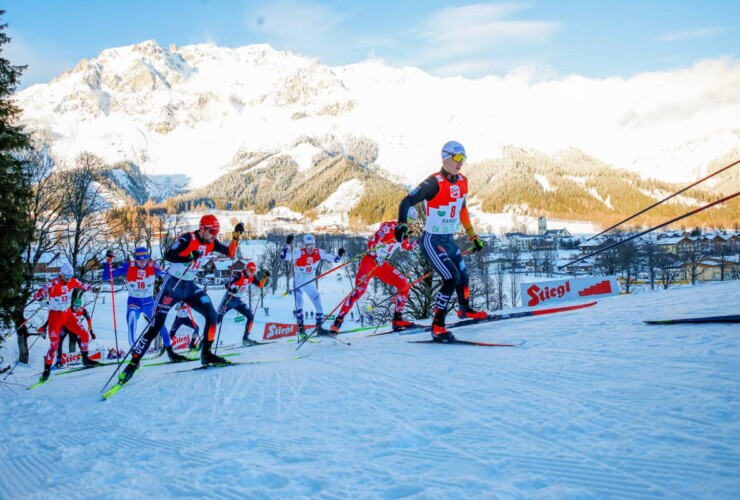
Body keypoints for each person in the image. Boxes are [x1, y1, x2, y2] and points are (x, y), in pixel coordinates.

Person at [116, 215, 242, 386]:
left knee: (212, 315)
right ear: (202, 228)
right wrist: (189, 255)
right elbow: (169, 254)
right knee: (156, 325)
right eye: (212, 231)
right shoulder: (187, 237)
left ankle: (206, 353)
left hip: (189, 285)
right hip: (172, 285)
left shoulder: (211, 243)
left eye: (217, 231)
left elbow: (231, 253)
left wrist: (236, 236)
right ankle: (133, 363)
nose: (215, 235)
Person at [396, 140, 487, 342]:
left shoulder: (463, 181)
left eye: (463, 158)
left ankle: (465, 309)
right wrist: (402, 223)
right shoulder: (434, 182)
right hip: (432, 240)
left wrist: (473, 236)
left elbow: (462, 210)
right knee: (450, 277)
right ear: (445, 157)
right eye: (457, 157)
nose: (461, 162)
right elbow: (407, 200)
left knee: (463, 276)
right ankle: (437, 325)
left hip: (449, 240)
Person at [330, 207, 420, 334]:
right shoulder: (389, 227)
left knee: (404, 285)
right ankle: (337, 322)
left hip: (382, 265)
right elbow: (371, 243)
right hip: (370, 261)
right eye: (410, 220)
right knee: (359, 291)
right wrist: (378, 255)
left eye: (413, 222)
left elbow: (405, 246)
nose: (411, 224)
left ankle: (397, 319)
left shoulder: (404, 233)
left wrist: (419, 242)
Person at [102, 247, 187, 363]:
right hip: (134, 302)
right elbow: (106, 276)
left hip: (149, 303)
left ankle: (170, 351)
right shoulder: (128, 266)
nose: (142, 263)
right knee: (132, 320)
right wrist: (108, 262)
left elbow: (168, 277)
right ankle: (135, 356)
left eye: (145, 260)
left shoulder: (153, 266)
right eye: (139, 260)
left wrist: (181, 275)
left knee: (160, 326)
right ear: (135, 259)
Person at [33, 263, 102, 381]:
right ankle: (46, 370)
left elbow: (83, 286)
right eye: (67, 276)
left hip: (68, 314)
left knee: (84, 334)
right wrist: (42, 299)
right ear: (61, 274)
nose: (69, 278)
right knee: (54, 345)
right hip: (55, 317)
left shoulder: (73, 281)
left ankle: (85, 359)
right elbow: (37, 295)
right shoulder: (52, 283)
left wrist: (93, 289)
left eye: (71, 275)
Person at [280, 234, 344, 338]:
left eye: (312, 246)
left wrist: (339, 255)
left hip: (309, 283)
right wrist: (287, 245)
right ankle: (301, 329)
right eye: (308, 246)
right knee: (300, 304)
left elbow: (334, 260)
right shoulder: (299, 252)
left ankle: (319, 328)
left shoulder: (319, 252)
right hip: (299, 283)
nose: (310, 249)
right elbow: (283, 257)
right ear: (305, 245)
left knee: (319, 305)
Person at [216, 261, 270, 346]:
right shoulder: (238, 275)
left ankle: (246, 339)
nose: (252, 273)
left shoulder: (252, 277)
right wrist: (231, 290)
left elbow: (260, 285)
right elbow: (227, 285)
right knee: (217, 319)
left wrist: (265, 277)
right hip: (229, 299)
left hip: (237, 301)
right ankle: (205, 341)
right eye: (251, 271)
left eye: (254, 271)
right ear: (247, 269)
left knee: (250, 316)